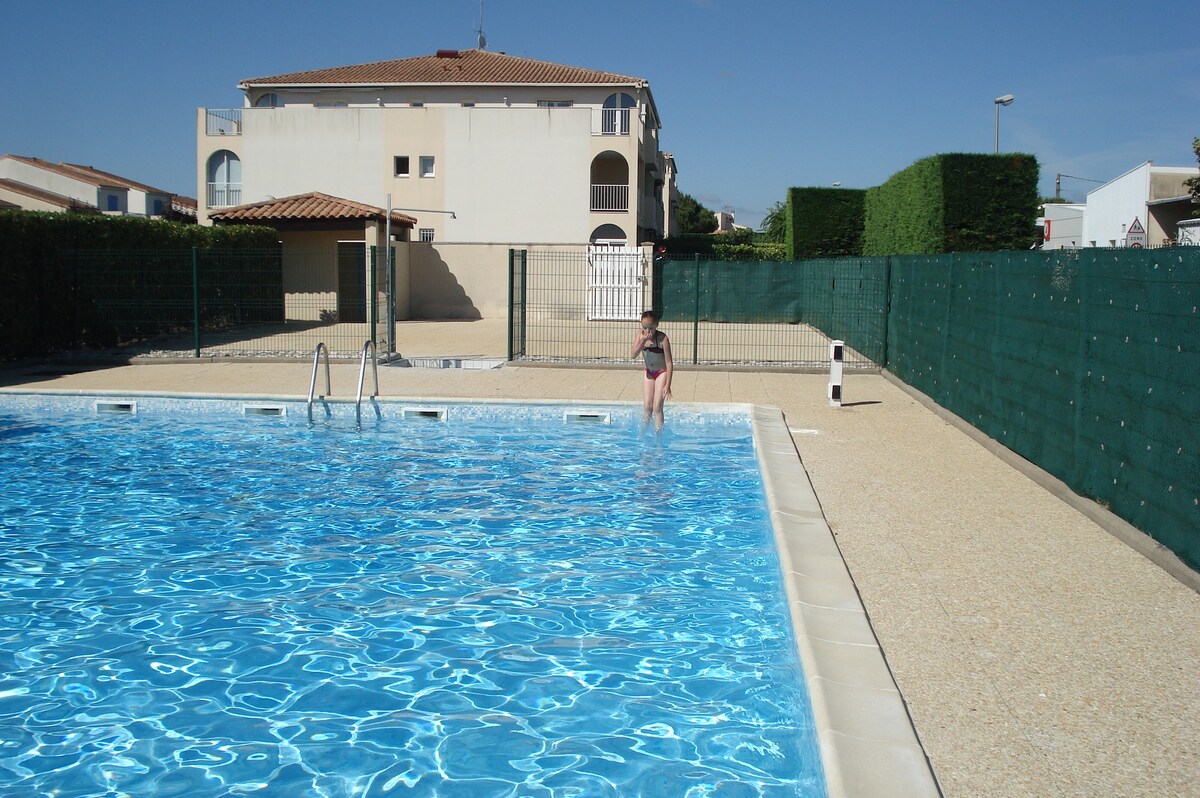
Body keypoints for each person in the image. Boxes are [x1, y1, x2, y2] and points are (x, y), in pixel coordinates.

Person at [629, 310, 673, 430]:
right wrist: (642, 341)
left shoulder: (662, 339)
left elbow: (669, 363)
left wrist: (667, 385)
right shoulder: (640, 335)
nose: (648, 331)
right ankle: (643, 434)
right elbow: (633, 354)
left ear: (657, 325)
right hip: (648, 372)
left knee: (657, 407)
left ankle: (659, 436)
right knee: (648, 406)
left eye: (651, 328)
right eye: (645, 328)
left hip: (661, 373)